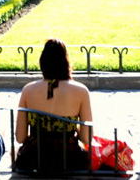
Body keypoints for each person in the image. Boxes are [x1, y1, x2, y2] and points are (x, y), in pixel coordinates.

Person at [15, 39, 92, 173]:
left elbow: (20, 137)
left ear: (42, 62)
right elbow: (86, 138)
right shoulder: (81, 91)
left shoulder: (28, 90)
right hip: (70, 159)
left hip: (34, 159)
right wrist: (72, 127)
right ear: (65, 62)